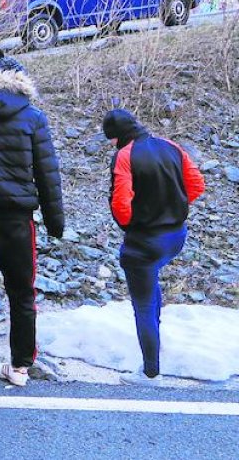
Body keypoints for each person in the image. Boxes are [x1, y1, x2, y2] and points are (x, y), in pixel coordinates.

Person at [0, 49, 64, 387]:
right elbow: (47, 173)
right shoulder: (33, 117)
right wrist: (55, 222)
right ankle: (20, 366)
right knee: (22, 293)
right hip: (18, 218)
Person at [103, 108, 205, 386]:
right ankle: (155, 338)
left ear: (117, 136)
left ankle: (150, 372)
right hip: (175, 237)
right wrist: (172, 208)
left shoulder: (125, 155)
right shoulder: (170, 146)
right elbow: (196, 185)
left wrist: (133, 226)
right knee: (151, 290)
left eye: (110, 139)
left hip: (145, 242)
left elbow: (121, 205)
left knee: (144, 305)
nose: (110, 144)